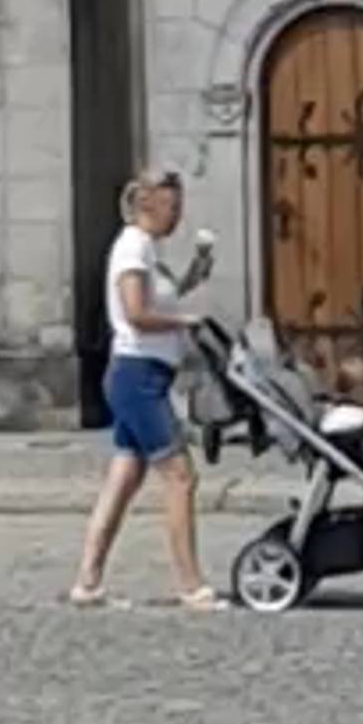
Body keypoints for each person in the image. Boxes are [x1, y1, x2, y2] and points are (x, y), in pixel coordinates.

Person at [70, 166, 221, 609]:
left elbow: (163, 296)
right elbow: (136, 313)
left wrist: (196, 270)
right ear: (147, 204)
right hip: (137, 375)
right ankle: (190, 584)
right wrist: (184, 322)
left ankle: (88, 581)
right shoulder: (133, 247)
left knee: (124, 478)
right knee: (180, 476)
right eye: (172, 206)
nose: (178, 216)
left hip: (146, 373)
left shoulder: (149, 250)